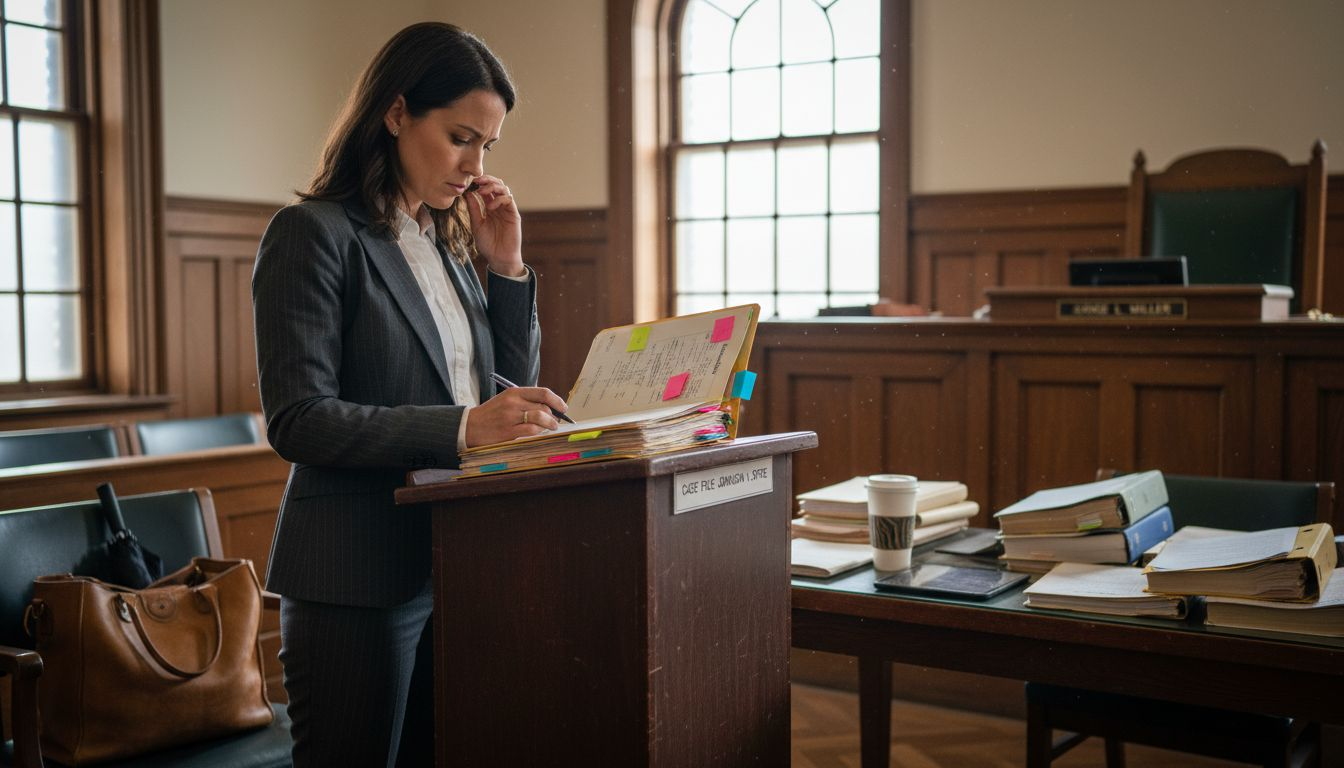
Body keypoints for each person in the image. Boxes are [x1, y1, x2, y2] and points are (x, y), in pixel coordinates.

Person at [251, 22, 567, 767]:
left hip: (456, 560)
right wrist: (463, 430)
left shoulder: (448, 246)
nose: (474, 164)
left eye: (488, 146)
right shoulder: (312, 234)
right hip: (354, 575)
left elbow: (502, 389)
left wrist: (508, 270)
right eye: (461, 136)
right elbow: (299, 419)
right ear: (395, 113)